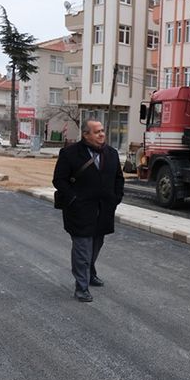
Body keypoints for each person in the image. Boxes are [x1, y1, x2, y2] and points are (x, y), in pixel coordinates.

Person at [53, 119, 124, 302]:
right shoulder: (70, 153)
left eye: (102, 131)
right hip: (80, 211)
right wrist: (74, 199)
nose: (102, 134)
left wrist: (116, 199)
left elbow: (119, 179)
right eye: (97, 131)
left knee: (96, 245)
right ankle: (81, 287)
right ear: (85, 134)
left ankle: (90, 273)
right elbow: (59, 180)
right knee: (82, 249)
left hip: (104, 210)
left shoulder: (112, 154)